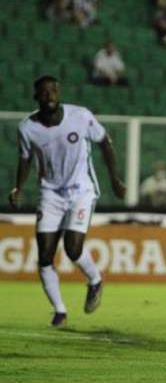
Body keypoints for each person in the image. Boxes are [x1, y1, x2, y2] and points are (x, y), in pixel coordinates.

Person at [9, 75, 126, 327]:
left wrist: (115, 178)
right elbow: (25, 158)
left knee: (73, 249)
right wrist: (18, 187)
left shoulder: (80, 116)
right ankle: (59, 310)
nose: (49, 95)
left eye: (53, 90)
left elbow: (104, 141)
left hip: (81, 190)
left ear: (59, 93)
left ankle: (95, 280)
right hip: (50, 194)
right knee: (44, 256)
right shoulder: (27, 128)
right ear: (36, 96)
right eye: (44, 91)